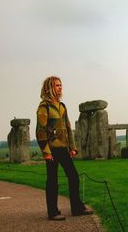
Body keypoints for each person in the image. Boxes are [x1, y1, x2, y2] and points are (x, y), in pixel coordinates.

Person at [36, 76, 93, 221]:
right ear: (49, 88)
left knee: (73, 176)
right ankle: (53, 212)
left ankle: (76, 208)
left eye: (61, 85)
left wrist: (72, 147)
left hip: (63, 148)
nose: (60, 87)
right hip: (52, 150)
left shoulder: (62, 106)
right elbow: (40, 131)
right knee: (52, 180)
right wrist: (46, 152)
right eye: (57, 85)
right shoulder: (44, 107)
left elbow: (68, 127)